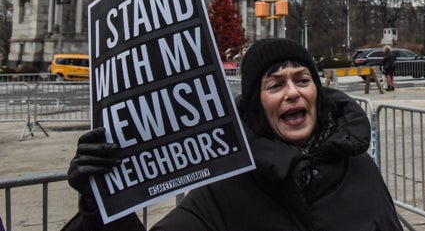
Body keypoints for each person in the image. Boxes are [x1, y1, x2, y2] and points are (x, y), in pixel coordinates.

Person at [61, 38, 403, 231]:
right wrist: (100, 204)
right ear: (255, 103)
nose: (293, 93)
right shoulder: (224, 184)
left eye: (302, 79)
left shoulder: (358, 164)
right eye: (275, 84)